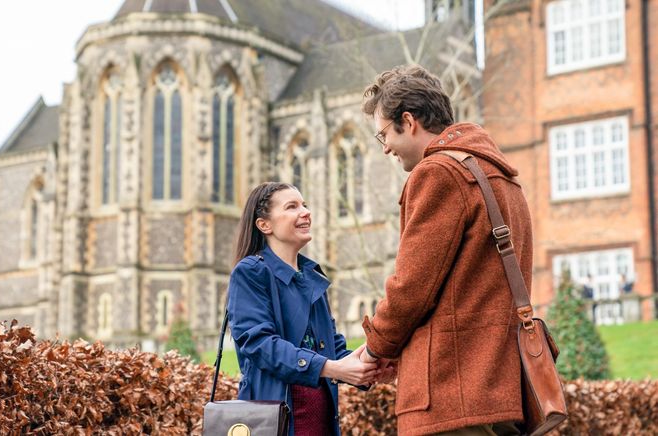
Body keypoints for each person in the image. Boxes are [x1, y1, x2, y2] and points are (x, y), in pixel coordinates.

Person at [358, 65, 531, 435]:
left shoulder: (438, 173)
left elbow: (411, 288)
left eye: (383, 134)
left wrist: (375, 349)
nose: (385, 147)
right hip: (501, 391)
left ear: (409, 121)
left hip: (451, 396)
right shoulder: (502, 178)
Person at [227, 182, 395, 436]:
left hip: (321, 425)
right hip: (277, 424)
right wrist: (331, 368)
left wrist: (371, 366)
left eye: (304, 205)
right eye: (292, 207)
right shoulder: (251, 272)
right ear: (265, 225)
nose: (305, 212)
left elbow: (332, 348)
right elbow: (259, 345)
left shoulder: (311, 276)